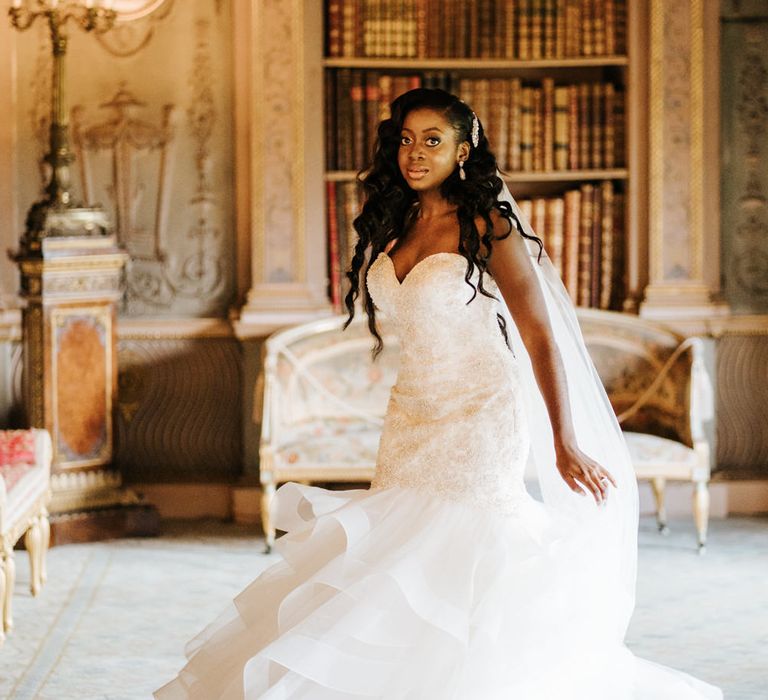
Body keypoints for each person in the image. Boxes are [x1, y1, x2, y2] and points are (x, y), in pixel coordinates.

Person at [155, 88, 723, 699]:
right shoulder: (396, 221)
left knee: (460, 543)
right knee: (397, 551)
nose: (415, 153)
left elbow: (540, 336)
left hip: (483, 412)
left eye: (433, 140)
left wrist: (564, 441)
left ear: (463, 148)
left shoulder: (487, 225)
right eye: (405, 139)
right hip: (411, 412)